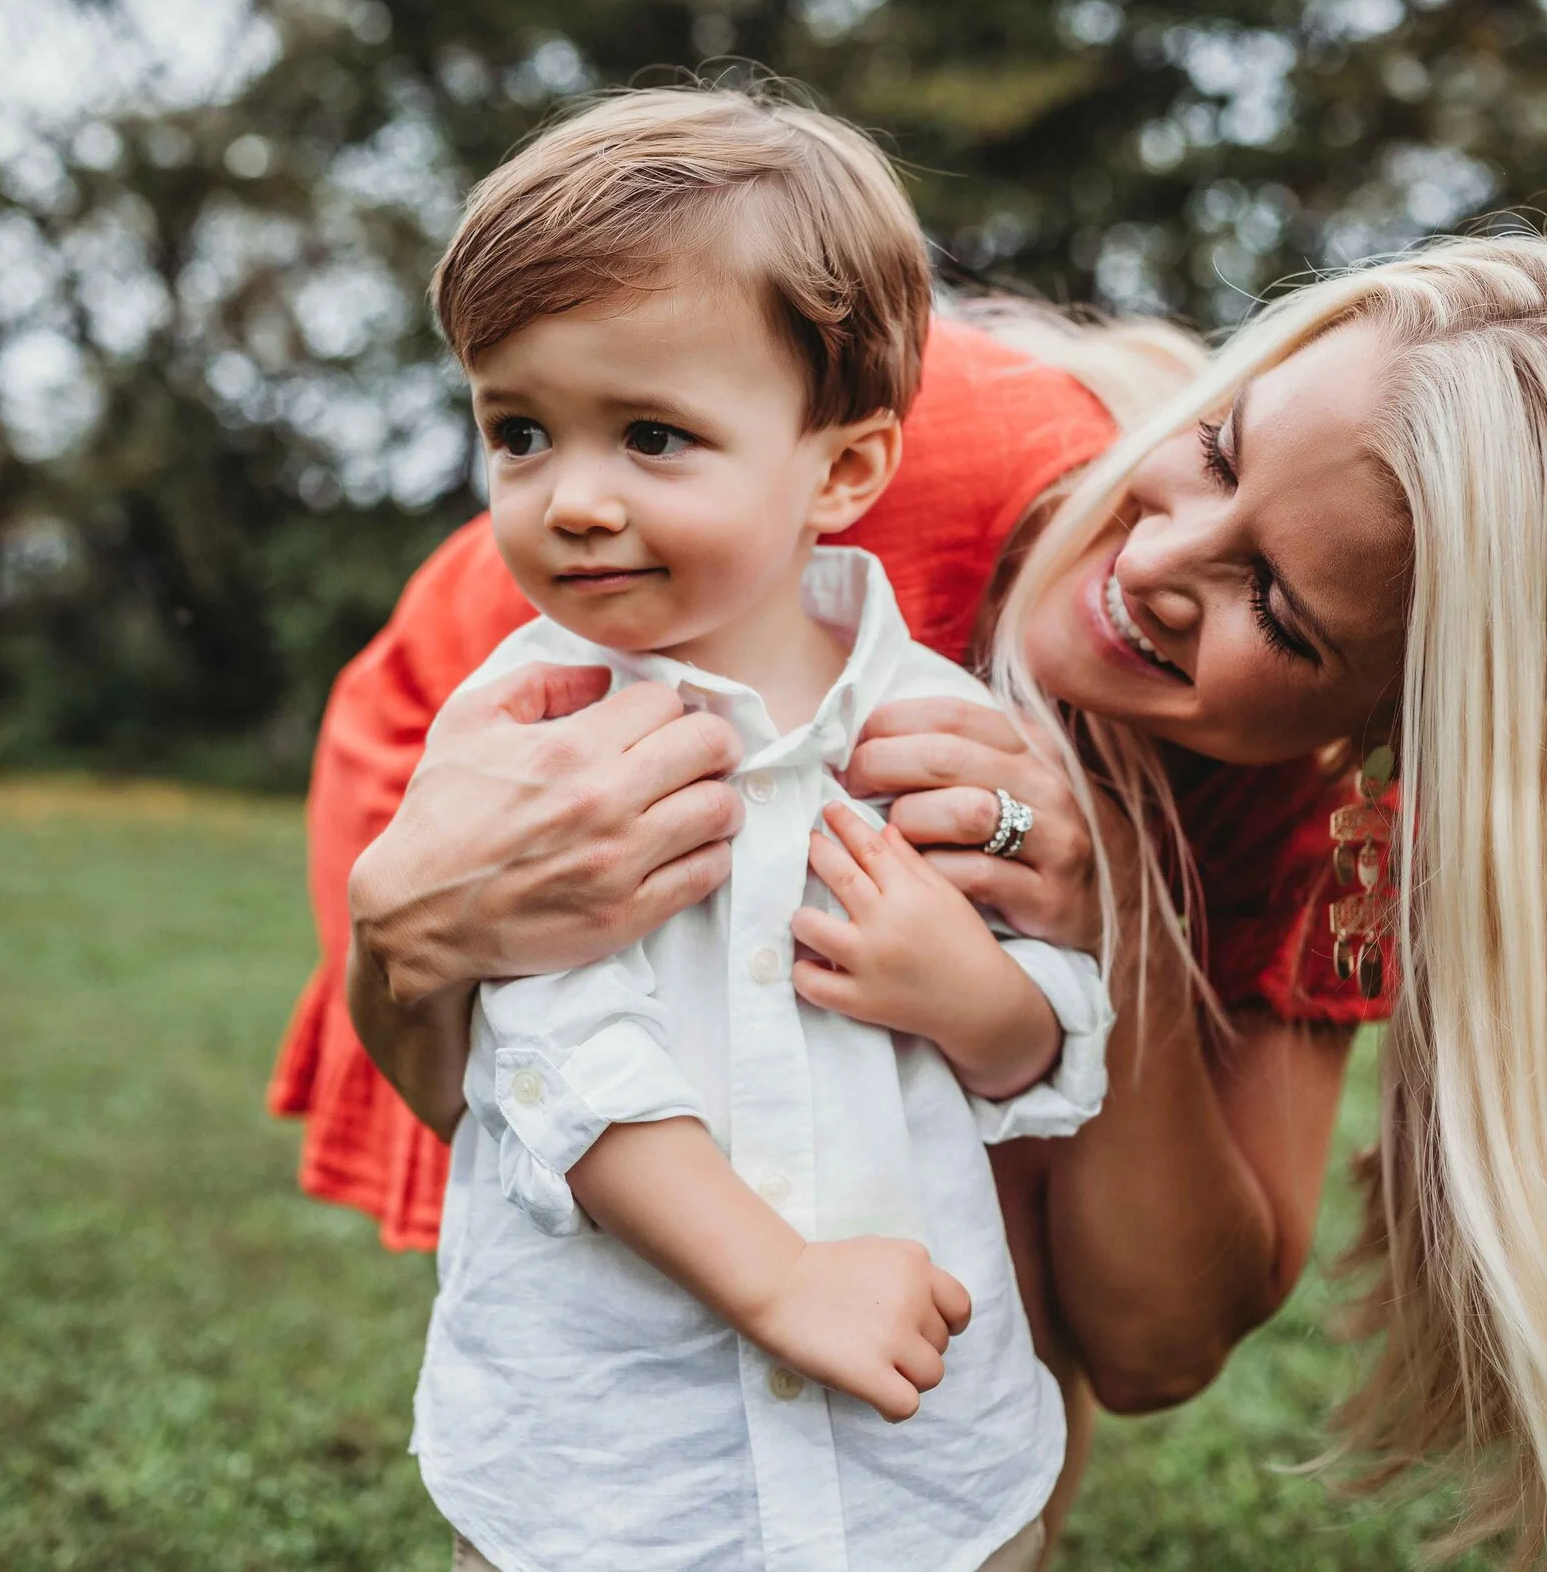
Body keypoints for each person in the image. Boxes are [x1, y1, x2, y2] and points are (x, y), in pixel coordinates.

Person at [295, 228, 1547, 1570]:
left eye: (1276, 601)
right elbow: (492, 1053)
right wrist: (405, 931)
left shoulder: (1329, 813)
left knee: (966, 1391)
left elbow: (1150, 1340)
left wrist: (1102, 925)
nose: (1155, 561)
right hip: (496, 775)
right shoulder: (869, 490)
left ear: (1406, 730)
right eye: (1213, 451)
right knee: (635, 1300)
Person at [399, 86, 1113, 1572]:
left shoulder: (933, 724)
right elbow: (554, 1065)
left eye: (652, 435)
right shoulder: (538, 740)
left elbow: (1053, 1041)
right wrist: (782, 1278)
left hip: (918, 1469)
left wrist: (969, 995)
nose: (572, 498)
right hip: (613, 1469)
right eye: (520, 431)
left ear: (845, 469)